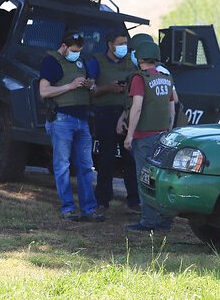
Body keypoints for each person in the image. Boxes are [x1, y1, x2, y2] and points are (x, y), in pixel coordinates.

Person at [38, 30, 105, 222]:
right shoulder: (51, 61)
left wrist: (90, 86)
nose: (77, 53)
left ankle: (88, 209)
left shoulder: (80, 61)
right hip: (61, 119)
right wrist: (70, 86)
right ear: (64, 46)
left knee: (85, 166)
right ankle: (67, 208)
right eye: (74, 50)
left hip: (82, 119)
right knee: (62, 166)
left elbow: (89, 88)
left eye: (80, 50)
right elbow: (43, 91)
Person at [122, 41, 176, 232]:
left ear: (141, 58)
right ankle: (165, 219)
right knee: (160, 178)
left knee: (144, 179)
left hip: (144, 137)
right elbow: (172, 105)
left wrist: (129, 135)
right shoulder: (166, 78)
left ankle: (148, 221)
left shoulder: (139, 78)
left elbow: (136, 108)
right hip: (162, 136)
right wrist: (169, 129)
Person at [87, 30, 140, 213]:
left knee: (130, 159)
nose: (123, 47)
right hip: (105, 115)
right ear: (110, 44)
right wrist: (108, 88)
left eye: (125, 43)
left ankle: (134, 201)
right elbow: (91, 89)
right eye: (120, 43)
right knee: (106, 158)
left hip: (126, 114)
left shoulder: (130, 62)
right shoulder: (97, 62)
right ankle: (102, 200)